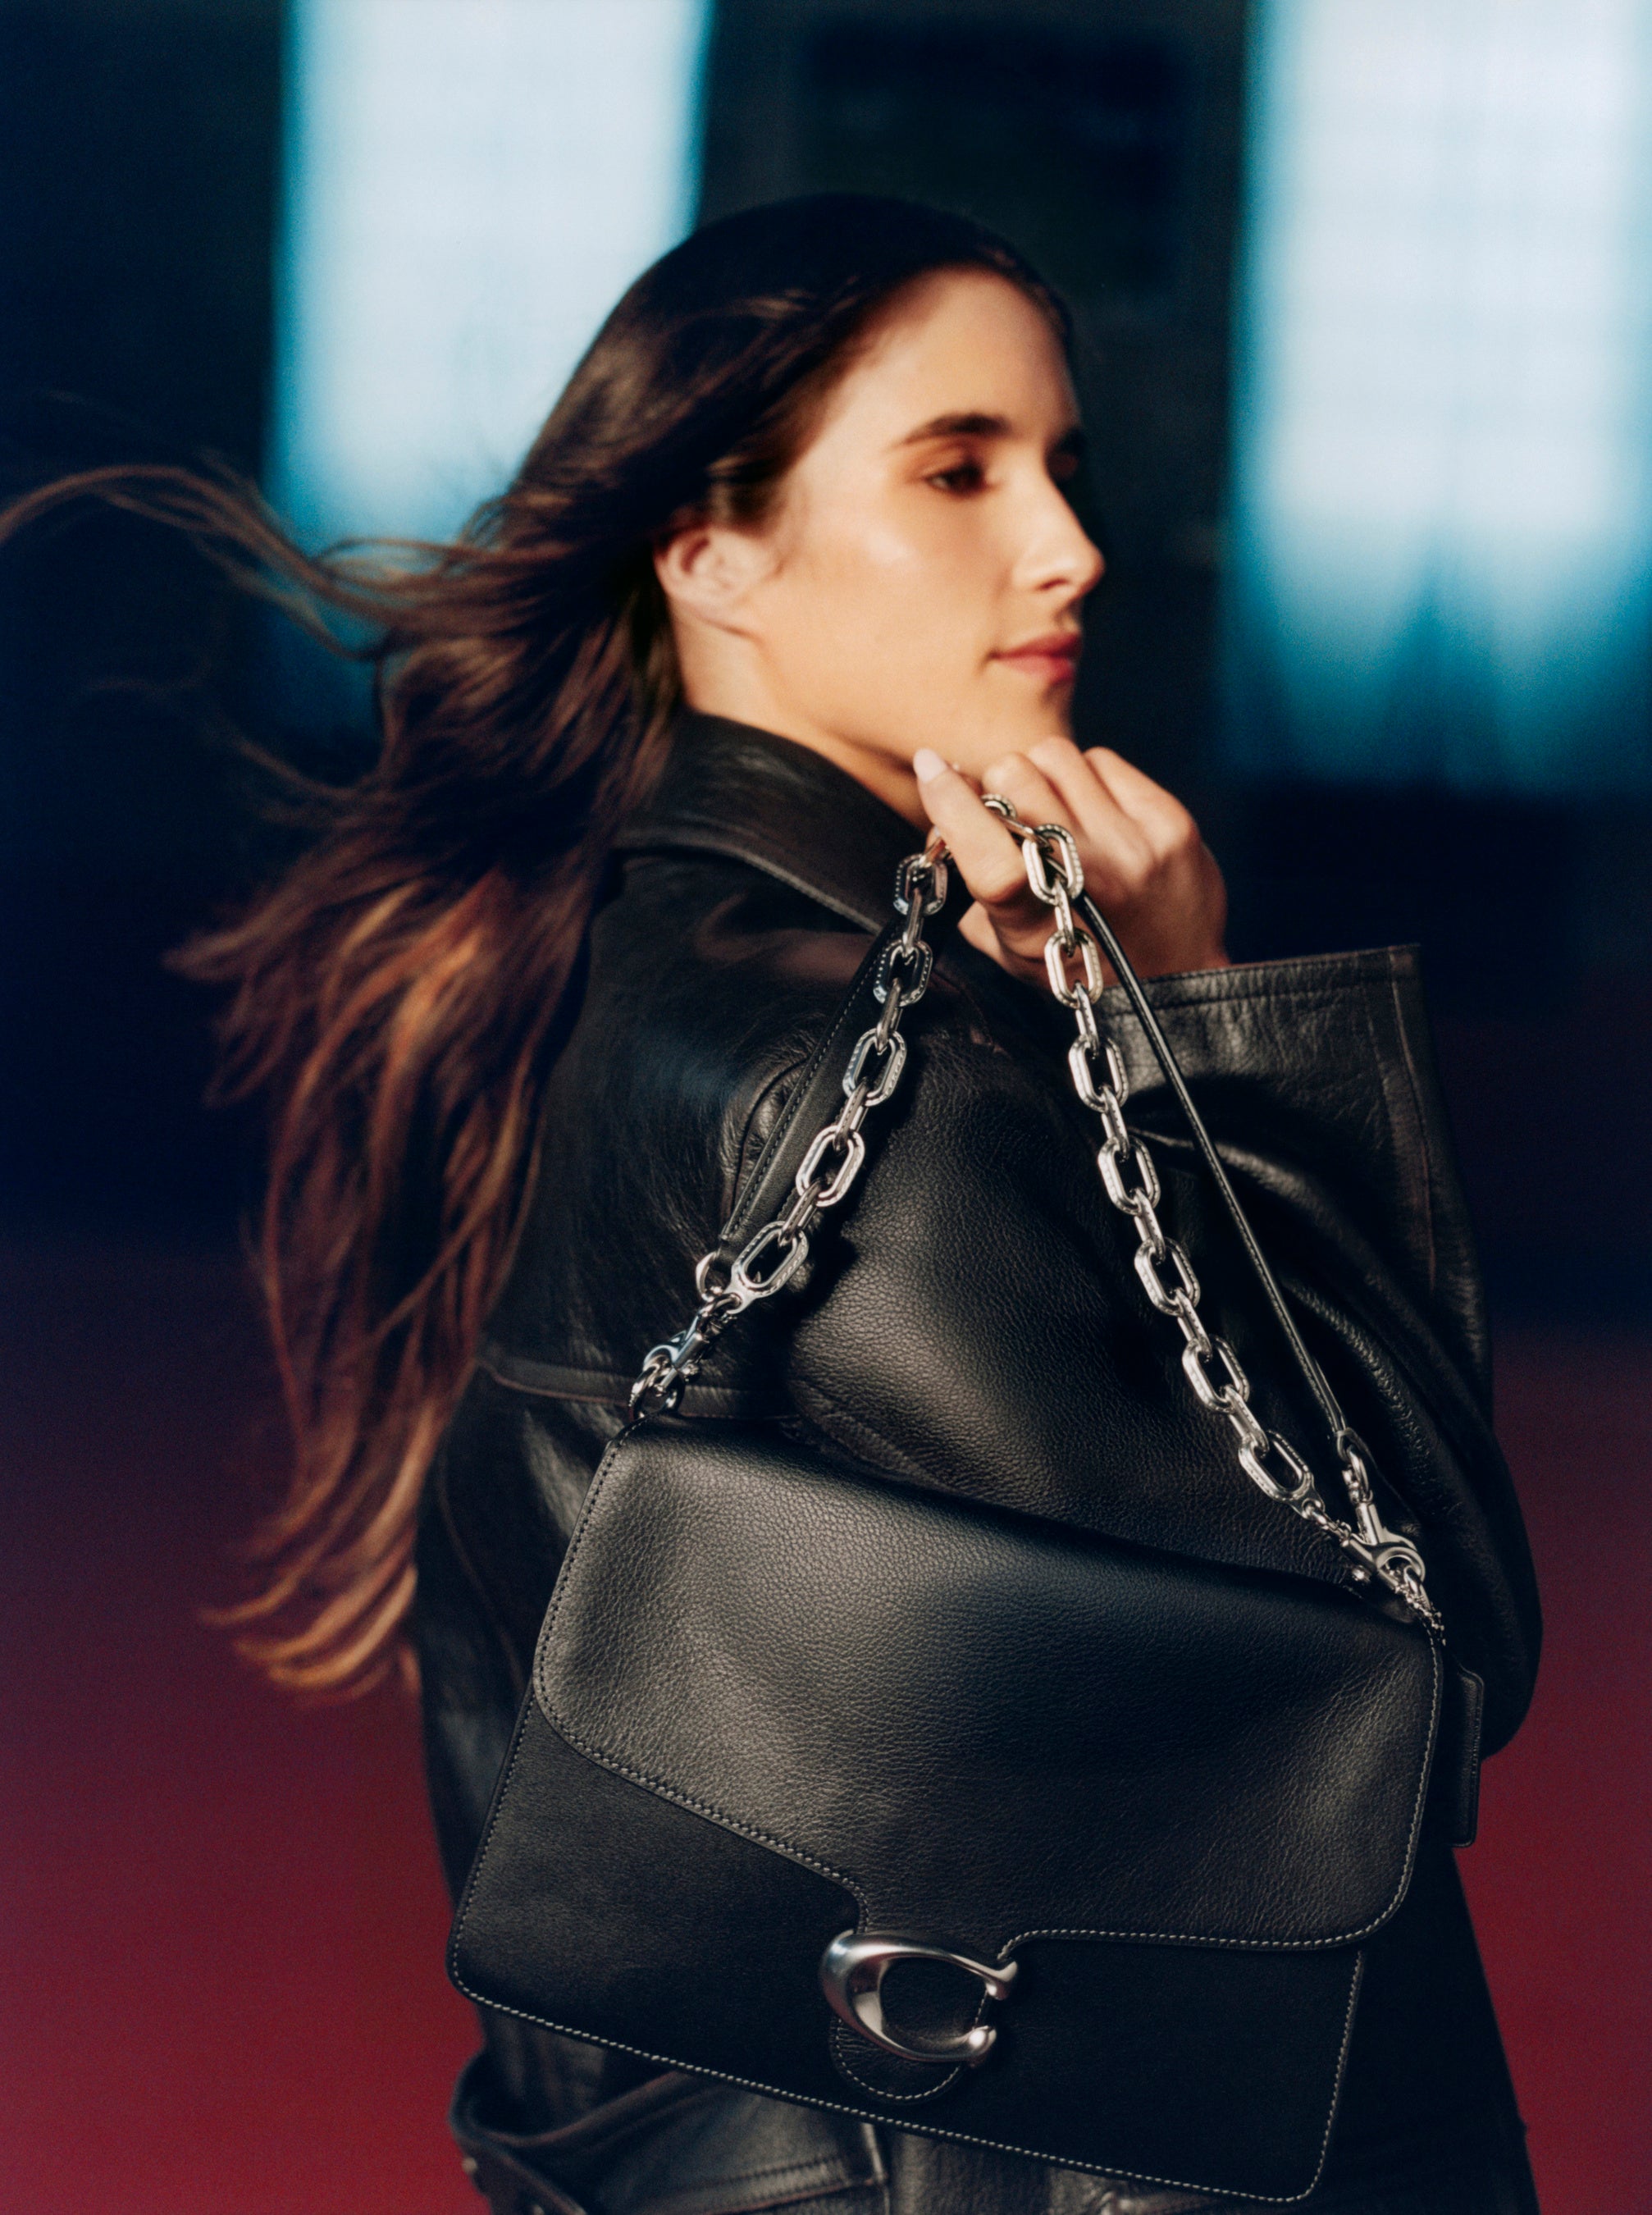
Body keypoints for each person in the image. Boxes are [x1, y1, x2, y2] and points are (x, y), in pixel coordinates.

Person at [5, 196, 1540, 2213]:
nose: (1066, 545)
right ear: (708, 549)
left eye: (1060, 464)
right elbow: (1428, 1653)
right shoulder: (866, 1074)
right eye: (954, 470)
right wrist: (1200, 1024)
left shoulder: (644, 946)